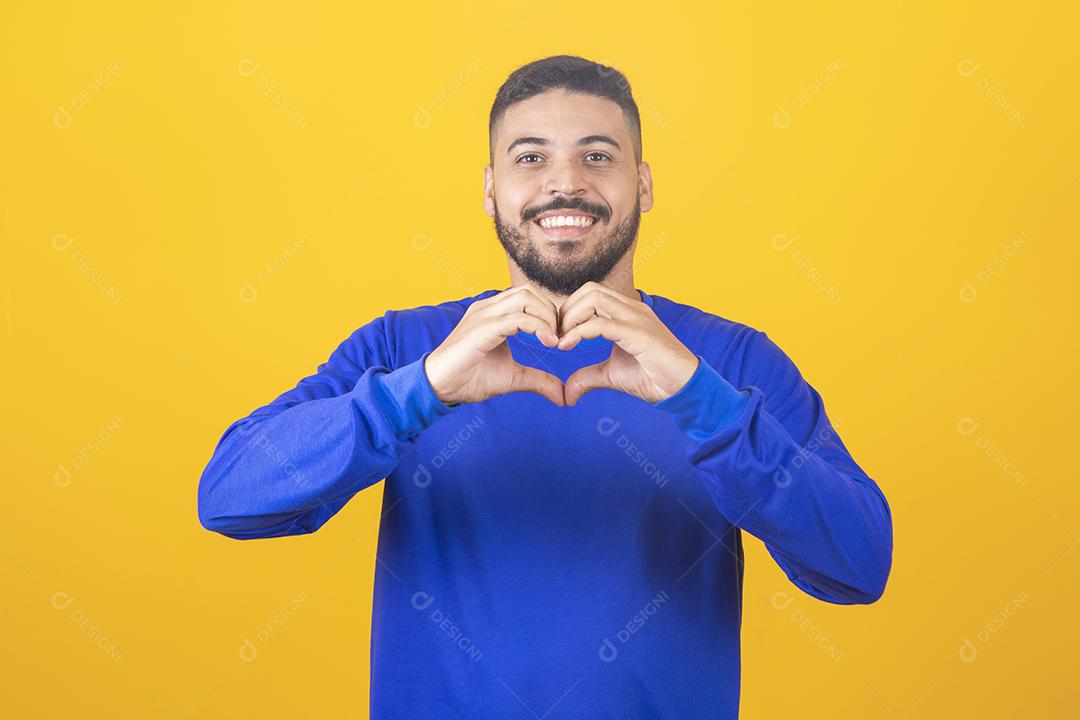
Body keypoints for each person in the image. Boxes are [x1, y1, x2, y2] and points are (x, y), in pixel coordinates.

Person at [197, 54, 892, 719]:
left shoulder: (728, 361)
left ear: (643, 185)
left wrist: (700, 400)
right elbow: (229, 497)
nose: (566, 184)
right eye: (531, 158)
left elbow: (859, 564)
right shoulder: (406, 349)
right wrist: (423, 390)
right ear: (491, 188)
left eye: (598, 156)